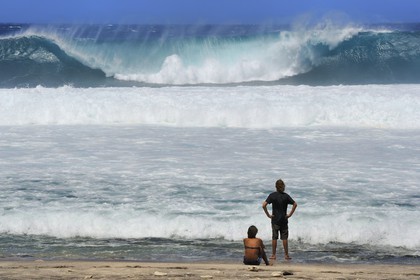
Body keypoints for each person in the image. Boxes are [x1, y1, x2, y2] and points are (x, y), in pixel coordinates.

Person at [262, 179, 297, 260]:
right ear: (283, 186)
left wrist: (268, 215)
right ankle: (286, 255)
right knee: (284, 238)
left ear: (276, 187)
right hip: (284, 220)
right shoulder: (286, 196)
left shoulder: (272, 195)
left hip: (275, 220)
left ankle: (273, 255)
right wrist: (290, 215)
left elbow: (264, 205)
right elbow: (295, 204)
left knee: (274, 237)